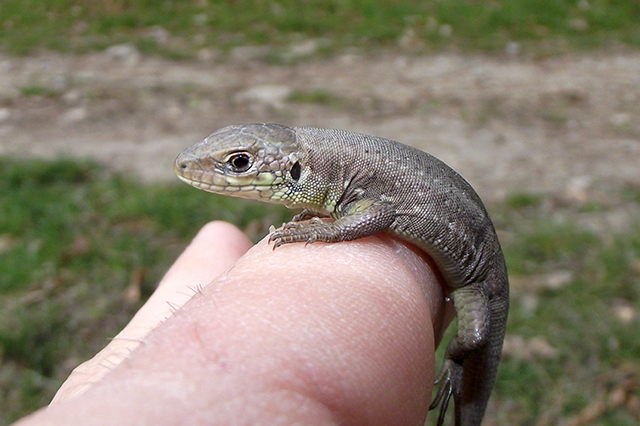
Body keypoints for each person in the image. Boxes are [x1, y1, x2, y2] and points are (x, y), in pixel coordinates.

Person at [14, 221, 450, 426]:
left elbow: (382, 215)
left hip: (475, 287)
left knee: (471, 336)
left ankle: (458, 366)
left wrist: (329, 233)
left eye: (240, 164)